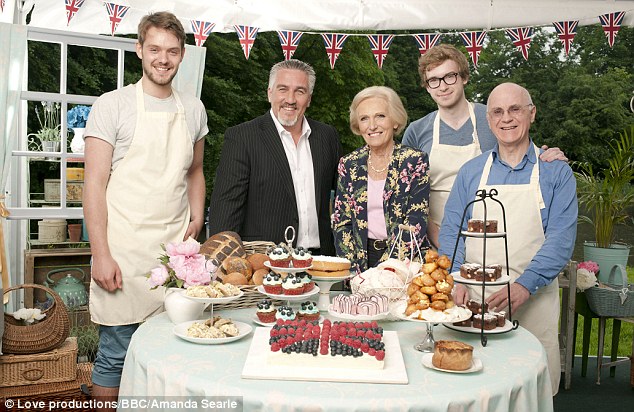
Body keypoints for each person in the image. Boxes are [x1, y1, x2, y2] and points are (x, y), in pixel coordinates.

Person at [83, 11, 208, 408]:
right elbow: (93, 185)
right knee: (115, 356)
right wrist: (100, 254)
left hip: (175, 257)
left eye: (171, 51)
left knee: (176, 353)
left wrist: (198, 216)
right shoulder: (112, 105)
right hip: (124, 252)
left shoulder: (194, 109)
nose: (163, 59)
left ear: (182, 54)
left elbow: (195, 170)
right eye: (154, 49)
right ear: (139, 50)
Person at [438, 82, 577, 395]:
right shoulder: (471, 172)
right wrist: (455, 277)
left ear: (532, 113)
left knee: (530, 394)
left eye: (515, 109)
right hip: (475, 301)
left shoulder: (556, 172)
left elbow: (561, 239)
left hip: (534, 301)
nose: (507, 118)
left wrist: (525, 285)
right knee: (474, 390)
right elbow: (452, 232)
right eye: (498, 112)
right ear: (489, 120)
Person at [403, 44, 566, 249]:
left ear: (464, 77)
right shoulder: (416, 131)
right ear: (427, 86)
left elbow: (523, 156)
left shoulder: (493, 118)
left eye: (450, 76)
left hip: (493, 237)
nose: (442, 87)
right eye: (433, 80)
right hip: (436, 241)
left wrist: (548, 157)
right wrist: (441, 241)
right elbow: (408, 194)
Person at [208, 59, 341, 255]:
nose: (290, 99)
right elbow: (226, 207)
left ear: (309, 98)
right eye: (283, 89)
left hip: (320, 260)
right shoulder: (242, 137)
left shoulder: (327, 136)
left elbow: (345, 196)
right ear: (269, 93)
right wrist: (224, 259)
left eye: (300, 91)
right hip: (264, 260)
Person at [332, 86, 430, 273]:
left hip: (404, 263)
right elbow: (342, 223)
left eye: (380, 116)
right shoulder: (349, 163)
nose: (372, 126)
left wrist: (383, 272)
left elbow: (415, 223)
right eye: (364, 118)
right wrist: (354, 272)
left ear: (395, 121)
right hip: (359, 262)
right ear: (358, 125)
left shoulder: (414, 160)